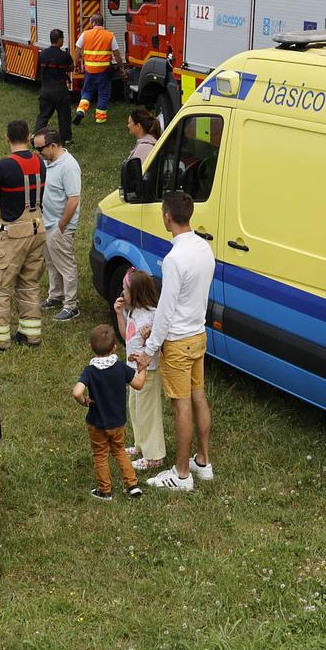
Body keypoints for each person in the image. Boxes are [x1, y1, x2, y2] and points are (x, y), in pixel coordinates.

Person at [145, 191, 215, 492]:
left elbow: (165, 308)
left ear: (167, 217)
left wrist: (150, 349)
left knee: (180, 406)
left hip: (177, 341)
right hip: (198, 334)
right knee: (198, 396)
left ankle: (182, 473)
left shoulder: (174, 259)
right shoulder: (204, 248)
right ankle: (203, 461)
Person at [0, 120, 48, 350]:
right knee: (29, 282)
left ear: (6, 138)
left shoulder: (4, 166)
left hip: (14, 233)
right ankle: (30, 335)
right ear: (28, 137)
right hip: (38, 228)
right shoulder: (40, 162)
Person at [72, 324, 147, 500]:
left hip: (97, 423)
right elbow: (139, 384)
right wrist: (142, 369)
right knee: (119, 451)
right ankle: (132, 485)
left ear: (91, 347)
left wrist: (84, 401)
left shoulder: (90, 371)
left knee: (100, 455)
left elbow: (76, 392)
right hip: (118, 422)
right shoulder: (120, 367)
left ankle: (105, 491)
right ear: (114, 347)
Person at [115, 268, 166, 475]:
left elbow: (157, 344)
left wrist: (148, 337)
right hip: (133, 371)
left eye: (125, 290)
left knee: (148, 412)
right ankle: (140, 444)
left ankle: (154, 456)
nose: (122, 293)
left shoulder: (153, 318)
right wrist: (119, 314)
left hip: (148, 372)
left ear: (136, 293)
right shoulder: (133, 311)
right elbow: (125, 336)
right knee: (135, 408)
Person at [33, 130, 82, 322]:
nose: (37, 152)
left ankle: (71, 305)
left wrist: (61, 226)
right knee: (52, 263)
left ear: (53, 146)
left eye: (40, 148)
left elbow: (73, 199)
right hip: (46, 222)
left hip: (59, 226)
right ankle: (55, 296)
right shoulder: (47, 163)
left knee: (65, 265)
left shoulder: (68, 166)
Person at [72, 18, 117, 125]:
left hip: (89, 70)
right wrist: (121, 68)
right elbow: (117, 54)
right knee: (103, 94)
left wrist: (75, 64)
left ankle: (81, 110)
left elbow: (77, 50)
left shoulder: (85, 34)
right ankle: (100, 119)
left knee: (87, 92)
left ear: (93, 23)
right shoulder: (110, 35)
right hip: (104, 71)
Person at [36, 28, 75, 145]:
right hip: (60, 90)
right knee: (64, 116)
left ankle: (37, 138)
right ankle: (66, 139)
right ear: (60, 40)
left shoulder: (42, 54)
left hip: (45, 90)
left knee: (43, 115)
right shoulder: (65, 56)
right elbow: (71, 67)